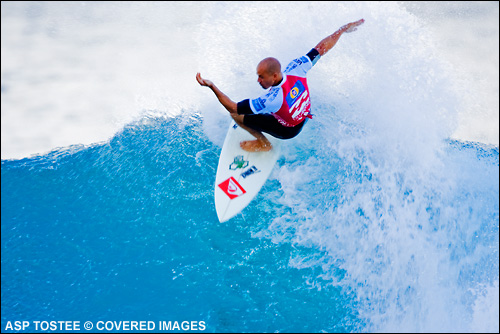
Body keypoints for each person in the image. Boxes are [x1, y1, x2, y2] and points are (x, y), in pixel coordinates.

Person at [196, 19, 364, 152]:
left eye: (261, 77)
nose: (258, 80)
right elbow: (321, 48)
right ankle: (278, 118)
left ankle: (263, 144)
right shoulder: (297, 68)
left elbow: (233, 107)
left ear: (274, 75)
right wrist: (342, 29)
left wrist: (212, 86)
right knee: (268, 108)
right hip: (305, 115)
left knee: (236, 116)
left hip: (288, 131)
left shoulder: (272, 99)